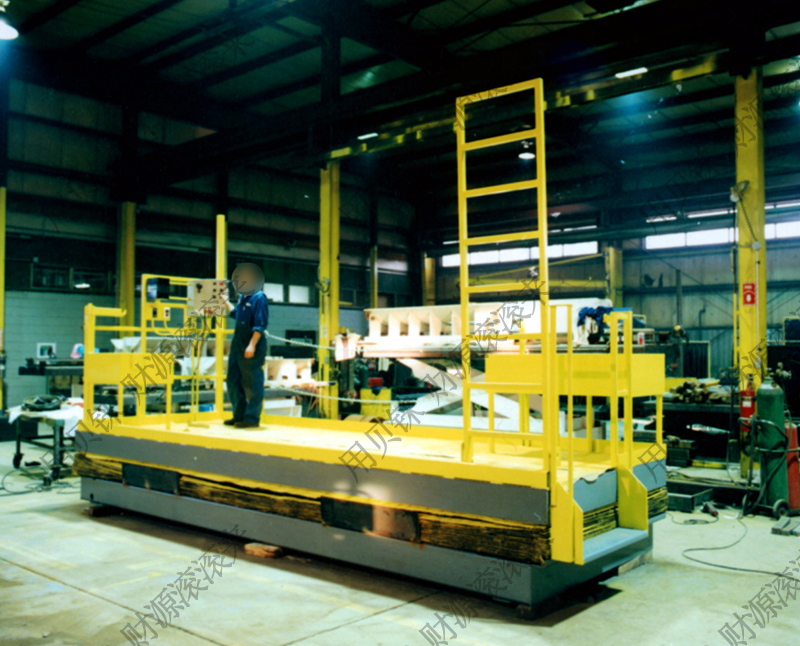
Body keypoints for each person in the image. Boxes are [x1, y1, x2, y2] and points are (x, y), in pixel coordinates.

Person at [221, 263, 268, 429]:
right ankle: (239, 415)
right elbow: (237, 314)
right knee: (232, 380)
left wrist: (252, 345)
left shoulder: (259, 298)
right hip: (238, 344)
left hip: (251, 344)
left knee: (252, 382)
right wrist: (225, 301)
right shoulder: (243, 297)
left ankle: (252, 418)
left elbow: (260, 324)